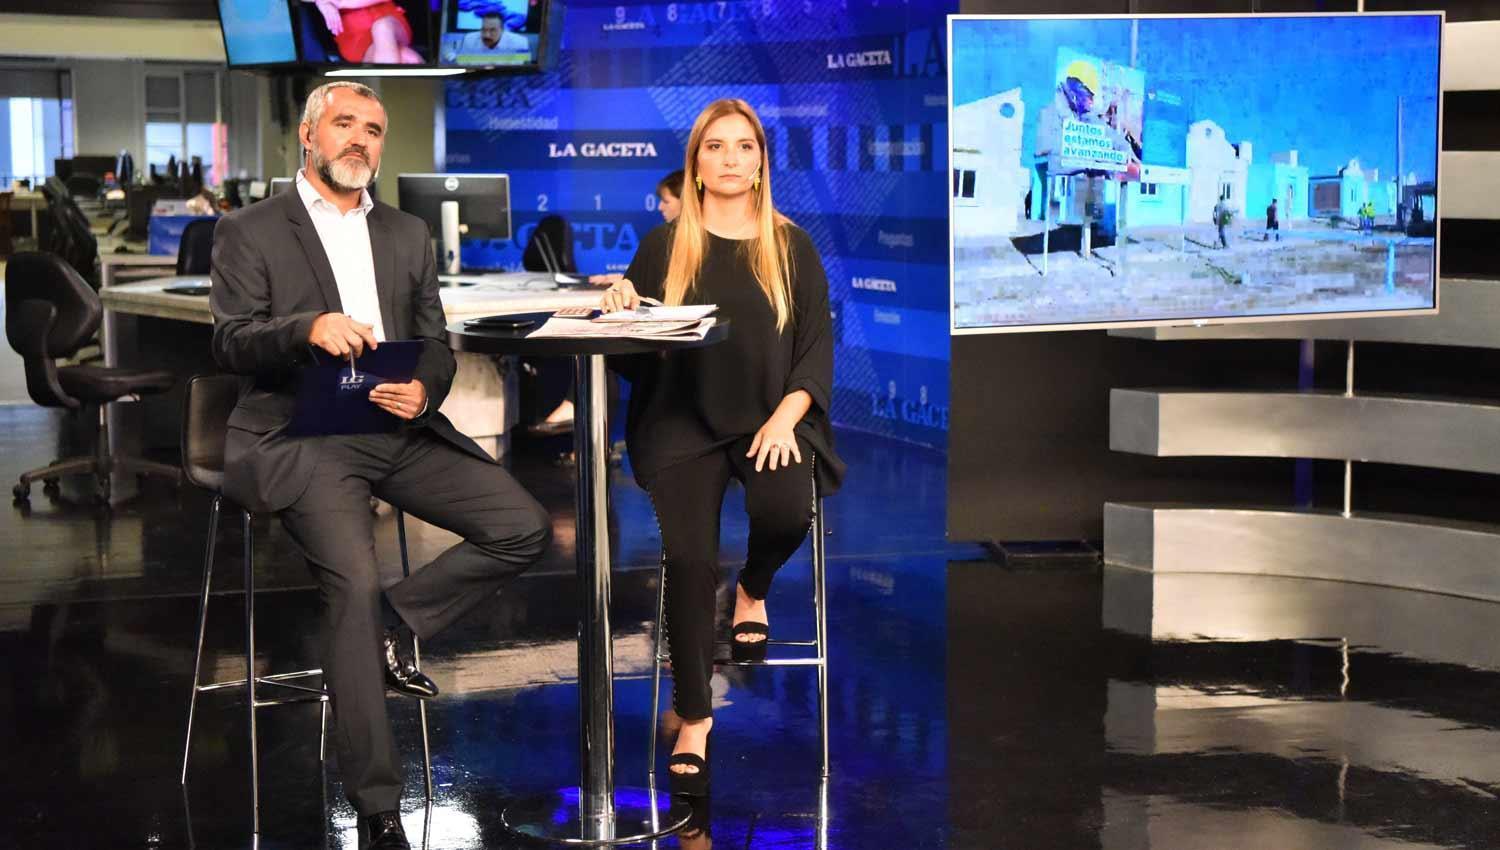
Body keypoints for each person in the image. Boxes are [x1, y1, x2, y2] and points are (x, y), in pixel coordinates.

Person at [209, 82, 551, 850]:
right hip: (301, 433)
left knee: (522, 526)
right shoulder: (250, 228)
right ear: (309, 134)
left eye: (373, 128)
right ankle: (377, 808)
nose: (360, 139)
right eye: (344, 123)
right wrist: (306, 328)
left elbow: (435, 344)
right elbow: (230, 341)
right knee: (354, 588)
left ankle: (399, 624)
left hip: (394, 427)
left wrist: (425, 388)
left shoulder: (407, 232)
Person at [600, 98, 846, 797]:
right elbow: (635, 358)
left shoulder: (791, 246)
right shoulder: (663, 245)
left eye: (744, 146)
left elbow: (815, 349)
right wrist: (622, 306)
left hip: (770, 418)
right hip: (681, 423)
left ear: (761, 162)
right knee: (688, 559)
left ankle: (753, 589)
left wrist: (787, 419)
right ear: (696, 163)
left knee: (785, 513)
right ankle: (696, 719)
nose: (731, 158)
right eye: (716, 146)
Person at [308, 0, 424, 65]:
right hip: (356, 36)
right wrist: (322, 3)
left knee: (382, 27)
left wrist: (338, 2)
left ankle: (381, 96)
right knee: (409, 59)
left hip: (390, 21)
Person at [454, 11, 529, 56]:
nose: (487, 35)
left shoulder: (520, 43)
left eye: (492, 30)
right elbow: (463, 64)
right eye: (483, 29)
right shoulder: (469, 39)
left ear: (502, 30)